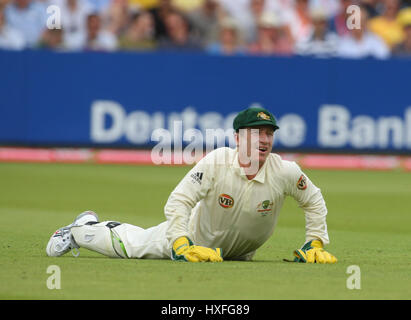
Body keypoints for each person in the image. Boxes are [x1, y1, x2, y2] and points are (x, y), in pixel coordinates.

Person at [46, 107, 337, 264]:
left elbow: (313, 200)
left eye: (269, 133)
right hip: (193, 241)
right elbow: (179, 201)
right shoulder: (217, 162)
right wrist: (180, 244)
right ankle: (78, 230)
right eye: (256, 133)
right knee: (133, 246)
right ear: (238, 138)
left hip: (238, 255)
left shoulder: (284, 170)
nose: (264, 139)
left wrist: (315, 241)